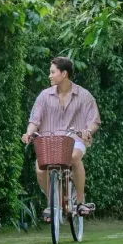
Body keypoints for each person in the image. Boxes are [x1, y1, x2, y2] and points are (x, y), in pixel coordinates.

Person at [22, 56, 100, 220]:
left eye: (52, 72)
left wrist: (87, 131)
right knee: (39, 168)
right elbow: (34, 120)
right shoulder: (44, 96)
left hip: (74, 138)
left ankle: (79, 202)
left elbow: (94, 121)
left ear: (64, 74)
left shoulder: (83, 95)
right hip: (50, 141)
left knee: (74, 157)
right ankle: (53, 203)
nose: (49, 76)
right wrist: (29, 132)